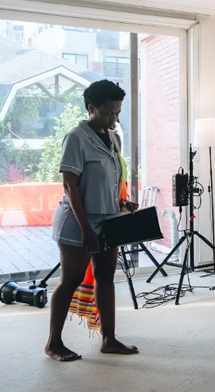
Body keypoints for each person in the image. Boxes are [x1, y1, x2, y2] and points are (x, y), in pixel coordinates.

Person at [45, 79, 139, 362]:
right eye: (109, 112)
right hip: (78, 221)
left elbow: (109, 180)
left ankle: (109, 339)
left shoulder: (114, 138)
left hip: (109, 219)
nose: (114, 118)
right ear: (91, 108)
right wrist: (86, 229)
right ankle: (53, 344)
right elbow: (70, 187)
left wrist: (122, 202)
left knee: (106, 277)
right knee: (71, 280)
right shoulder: (76, 138)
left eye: (118, 112)